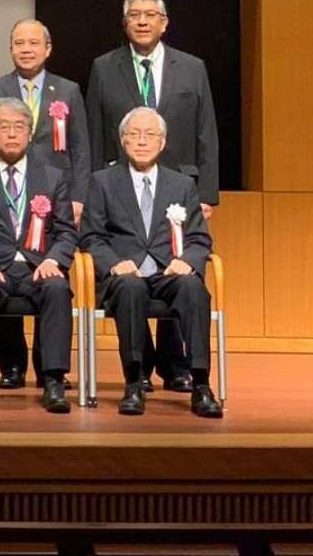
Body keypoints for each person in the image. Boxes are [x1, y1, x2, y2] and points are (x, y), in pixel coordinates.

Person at [86, 0, 219, 393]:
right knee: (133, 272)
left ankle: (179, 367)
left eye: (150, 15)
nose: (142, 22)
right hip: (120, 187)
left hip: (178, 186)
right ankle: (138, 369)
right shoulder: (104, 67)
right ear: (125, 23)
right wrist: (95, 188)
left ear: (164, 22)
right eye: (135, 15)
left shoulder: (191, 67)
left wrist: (208, 193)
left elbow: (205, 131)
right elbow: (94, 130)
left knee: (177, 270)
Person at [80, 107, 222, 419]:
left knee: (193, 288)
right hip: (125, 273)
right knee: (130, 288)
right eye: (134, 134)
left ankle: (201, 382)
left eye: (150, 135)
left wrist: (187, 261)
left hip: (167, 271)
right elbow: (91, 236)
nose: (142, 141)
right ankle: (134, 382)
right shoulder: (102, 182)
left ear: (163, 142)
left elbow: (200, 239)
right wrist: (114, 263)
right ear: (122, 140)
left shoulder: (181, 185)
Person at [0, 18, 90, 389]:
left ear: (48, 49)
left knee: (49, 276)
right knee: (2, 264)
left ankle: (48, 368)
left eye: (33, 43)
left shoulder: (68, 90)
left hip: (52, 198)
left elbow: (81, 148)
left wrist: (77, 197)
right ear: (11, 49)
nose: (26, 49)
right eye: (18, 43)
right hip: (5, 194)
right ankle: (11, 366)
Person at [0, 98, 76, 414]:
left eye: (19, 127)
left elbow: (67, 232)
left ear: (30, 134)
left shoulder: (52, 176)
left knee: (58, 288)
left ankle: (53, 380)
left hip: (38, 266)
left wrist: (54, 260)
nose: (11, 134)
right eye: (3, 127)